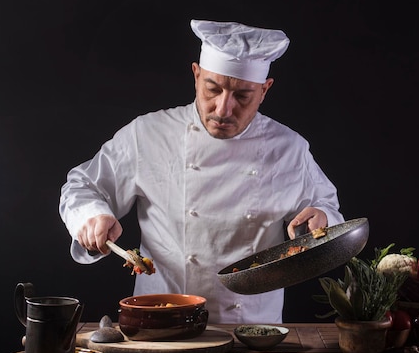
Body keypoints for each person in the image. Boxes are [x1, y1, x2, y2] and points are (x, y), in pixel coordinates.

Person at [59, 19, 344, 324]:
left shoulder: (289, 148)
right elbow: (83, 186)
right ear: (196, 75)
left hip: (252, 327)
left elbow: (326, 212)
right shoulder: (148, 134)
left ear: (264, 90)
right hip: (164, 321)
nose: (223, 109)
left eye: (242, 96)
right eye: (212, 89)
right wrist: (91, 215)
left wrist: (321, 219)